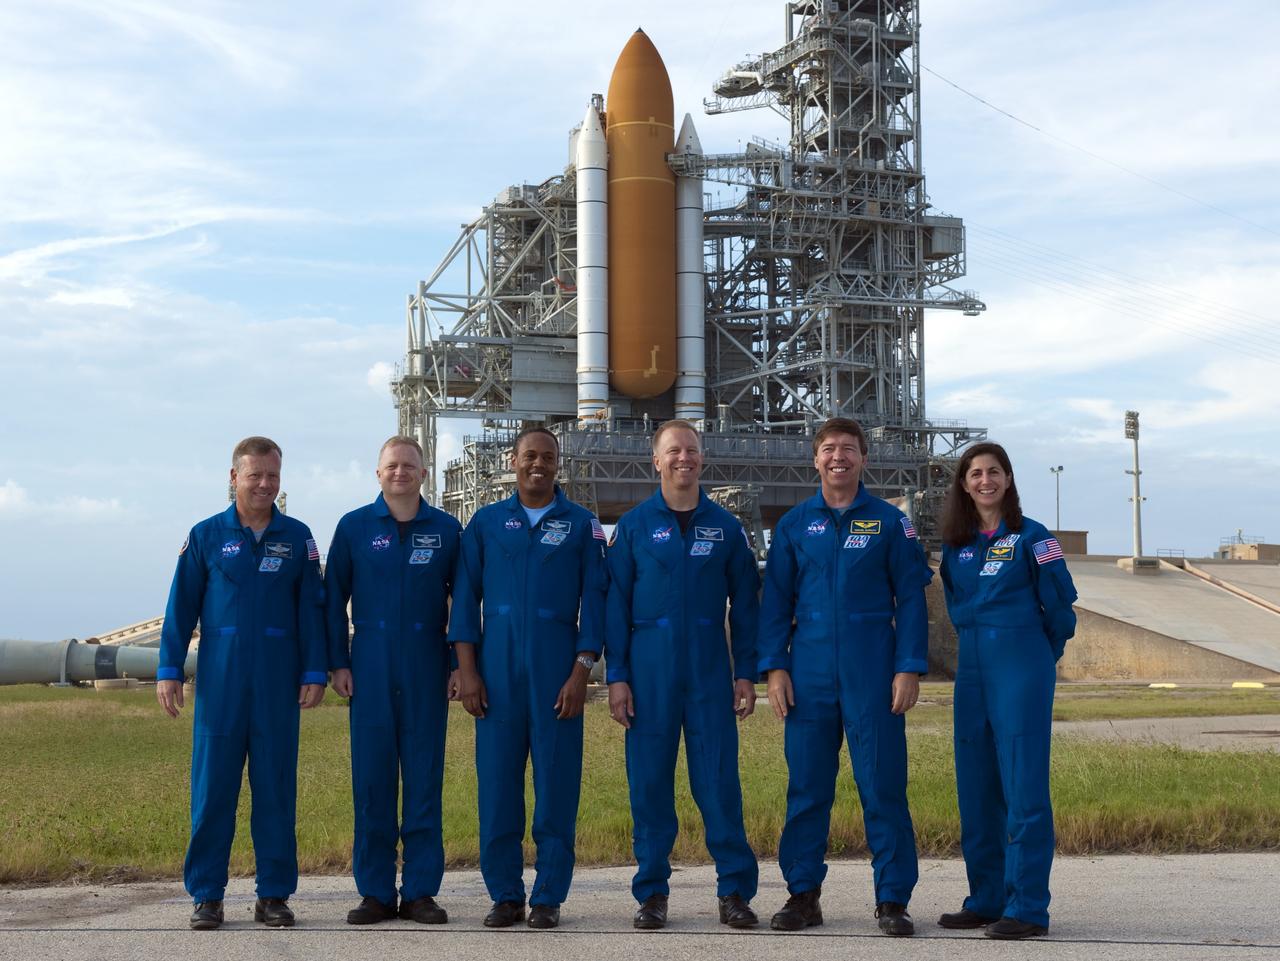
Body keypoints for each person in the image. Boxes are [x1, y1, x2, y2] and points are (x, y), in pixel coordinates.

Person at [758, 417, 932, 937]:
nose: (838, 457)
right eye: (829, 449)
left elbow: (912, 599)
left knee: (882, 786)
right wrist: (774, 669)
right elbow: (775, 606)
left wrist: (908, 667)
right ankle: (803, 895)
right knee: (807, 789)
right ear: (815, 459)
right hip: (808, 672)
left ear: (863, 459)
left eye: (849, 449)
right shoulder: (792, 526)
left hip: (872, 670)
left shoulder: (889, 523)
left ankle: (893, 900)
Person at [156, 436, 327, 931]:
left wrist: (314, 670)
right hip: (221, 684)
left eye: (273, 476)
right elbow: (179, 607)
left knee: (275, 791)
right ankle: (206, 895)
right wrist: (169, 669)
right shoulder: (206, 536)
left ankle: (274, 894)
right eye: (255, 475)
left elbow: (312, 612)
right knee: (213, 791)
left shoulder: (297, 538)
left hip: (277, 684)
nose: (265, 484)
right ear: (234, 477)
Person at [448, 426, 608, 930]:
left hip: (557, 672)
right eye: (529, 456)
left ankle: (547, 897)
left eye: (548, 457)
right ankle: (505, 895)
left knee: (557, 788)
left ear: (558, 464)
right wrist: (467, 671)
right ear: (513, 462)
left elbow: (596, 602)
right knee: (497, 789)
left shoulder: (582, 525)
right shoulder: (486, 523)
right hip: (495, 675)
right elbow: (464, 602)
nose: (538, 464)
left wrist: (582, 670)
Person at [605, 419, 761, 930]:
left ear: (702, 458)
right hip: (649, 672)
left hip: (710, 670)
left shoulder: (724, 526)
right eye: (673, 451)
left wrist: (746, 673)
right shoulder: (632, 527)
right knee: (649, 786)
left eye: (691, 450)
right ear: (656, 460)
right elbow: (615, 606)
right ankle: (651, 895)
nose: (683, 459)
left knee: (718, 783)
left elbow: (746, 604)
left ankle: (734, 891)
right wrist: (618, 676)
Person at [936, 442, 1077, 940]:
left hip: (1020, 663)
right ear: (964, 484)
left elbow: (1061, 610)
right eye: (974, 473)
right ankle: (987, 898)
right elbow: (954, 604)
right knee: (976, 786)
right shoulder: (957, 544)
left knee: (1023, 788)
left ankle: (1028, 908)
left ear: (1009, 479)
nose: (984, 481)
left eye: (993, 471)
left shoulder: (1033, 537)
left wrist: (1038, 658)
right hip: (972, 668)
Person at [325, 435, 462, 925]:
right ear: (377, 473)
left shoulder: (446, 530)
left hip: (427, 661)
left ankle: (421, 892)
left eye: (409, 465)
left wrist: (457, 664)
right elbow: (332, 596)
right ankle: (376, 892)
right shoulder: (355, 528)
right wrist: (338, 662)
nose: (400, 472)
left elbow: (463, 603)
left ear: (423, 473)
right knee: (373, 780)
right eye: (391, 466)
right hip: (370, 663)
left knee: (424, 777)